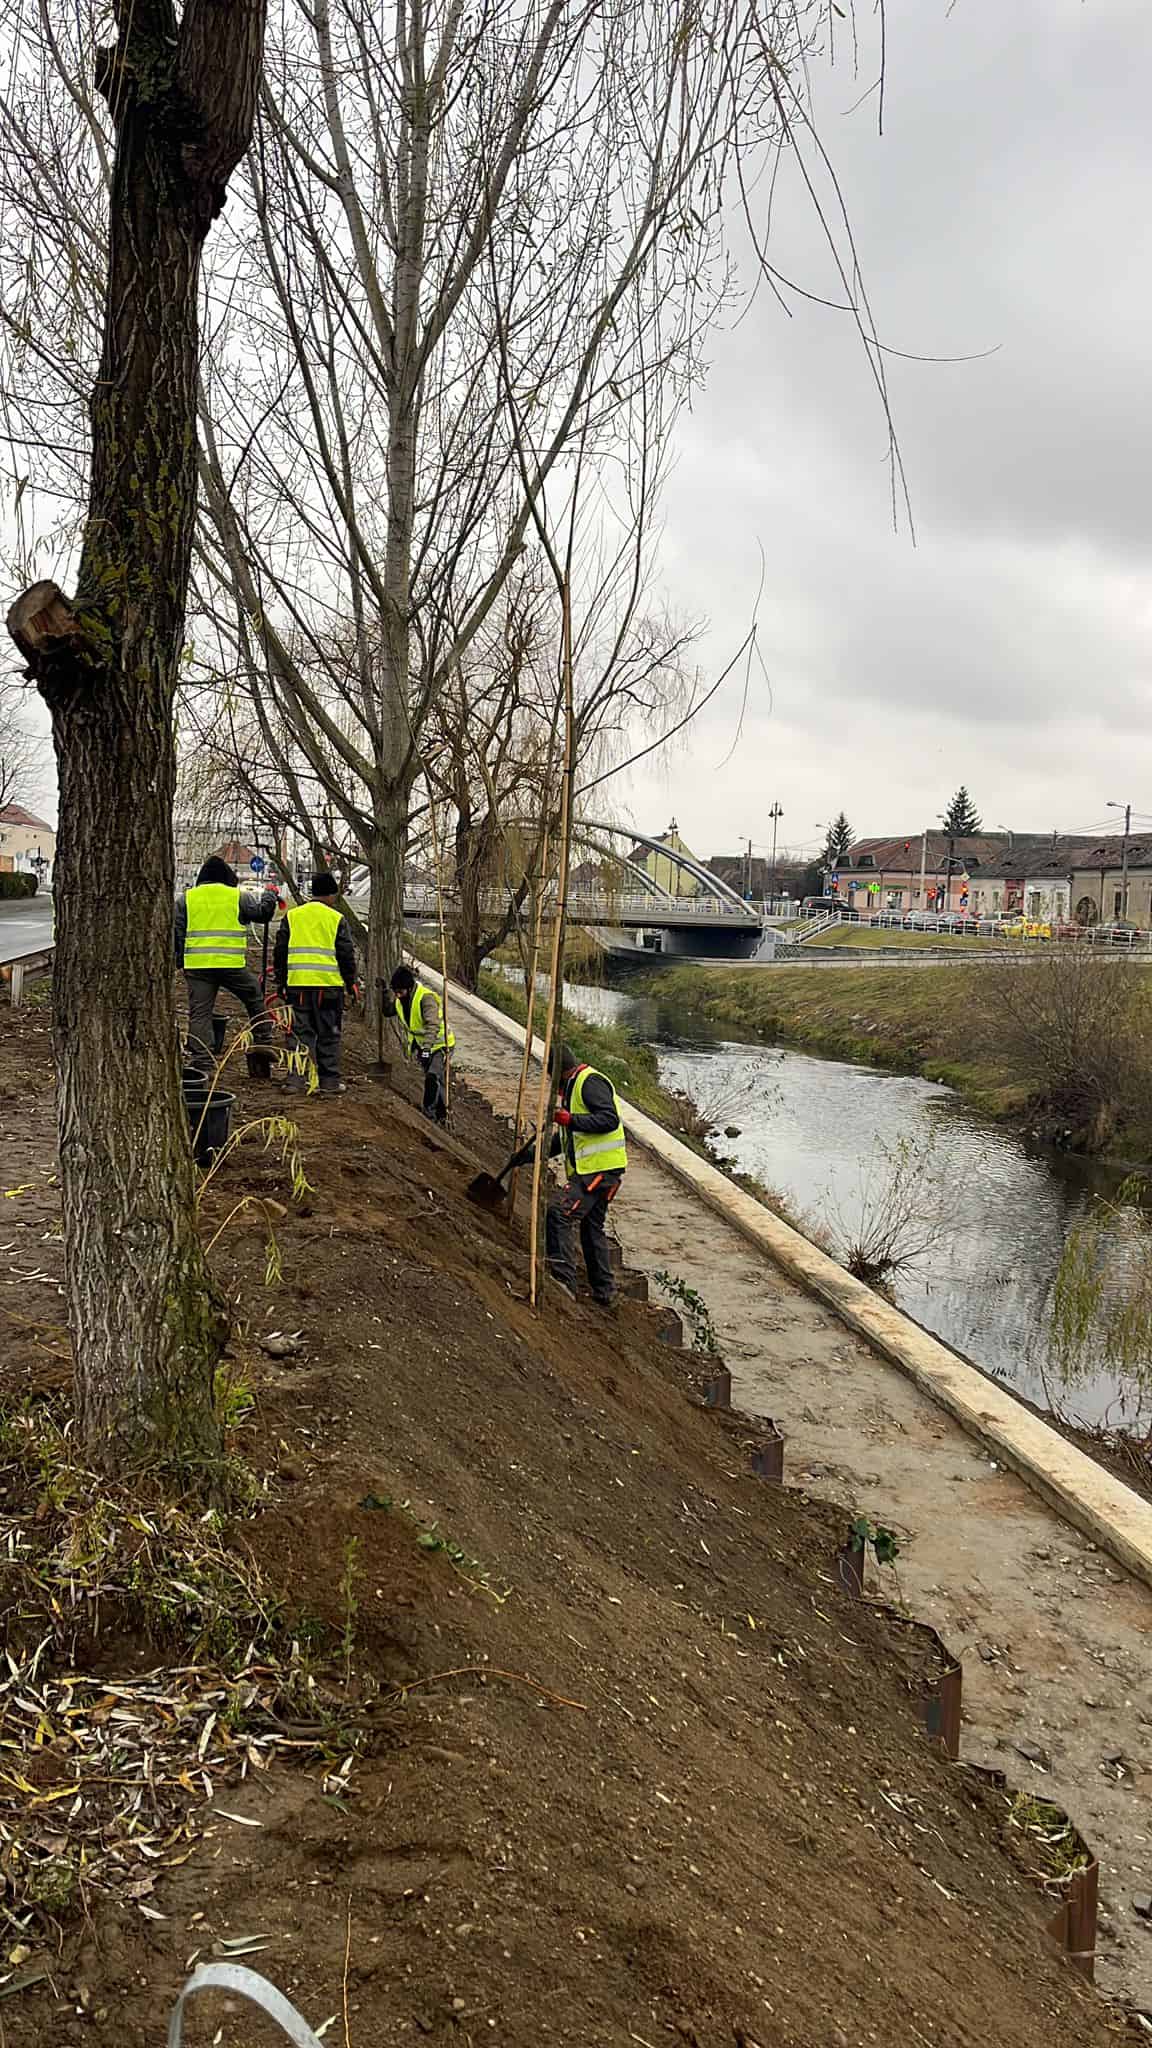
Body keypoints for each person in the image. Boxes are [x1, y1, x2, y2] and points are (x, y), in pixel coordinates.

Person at [511, 1042, 627, 1307]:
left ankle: (564, 1283)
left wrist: (569, 1119)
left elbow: (609, 1119)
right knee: (591, 1227)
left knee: (559, 1214)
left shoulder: (589, 1083)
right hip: (595, 1170)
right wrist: (528, 1155)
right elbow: (564, 1141)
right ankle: (604, 1292)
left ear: (559, 1071)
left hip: (598, 1171)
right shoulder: (572, 1089)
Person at [177, 856, 278, 1076]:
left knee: (200, 1013)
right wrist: (270, 895)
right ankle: (262, 1040)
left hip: (197, 966)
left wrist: (179, 961)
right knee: (254, 996)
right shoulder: (237, 896)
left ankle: (202, 1061)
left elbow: (178, 933)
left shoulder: (186, 899)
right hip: (230, 964)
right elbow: (262, 913)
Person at [274, 873, 360, 1095]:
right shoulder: (336, 918)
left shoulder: (292, 917)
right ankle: (329, 1082)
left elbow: (280, 952)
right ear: (331, 894)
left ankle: (295, 1081)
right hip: (328, 988)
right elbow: (346, 955)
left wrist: (281, 982)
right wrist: (351, 983)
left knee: (298, 1035)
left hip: (298, 986)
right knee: (329, 1034)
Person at [389, 963, 454, 1123]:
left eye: (400, 991)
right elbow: (387, 1011)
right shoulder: (401, 1001)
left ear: (409, 988)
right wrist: (384, 992)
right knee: (433, 1079)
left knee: (433, 1076)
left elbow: (432, 1025)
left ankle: (430, 1113)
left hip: (440, 1045)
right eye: (395, 992)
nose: (397, 995)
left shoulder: (426, 998)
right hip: (422, 1045)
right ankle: (440, 1112)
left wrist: (427, 1048)